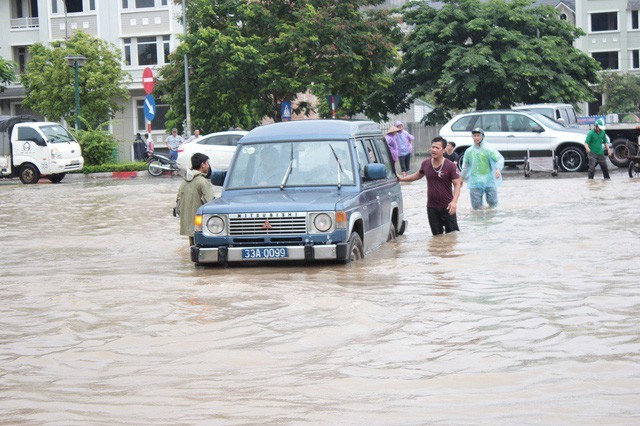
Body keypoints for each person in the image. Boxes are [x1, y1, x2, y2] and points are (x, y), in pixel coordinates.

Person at [398, 136, 462, 235]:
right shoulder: (426, 163)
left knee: (452, 236)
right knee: (436, 237)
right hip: (432, 207)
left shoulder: (450, 166)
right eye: (433, 147)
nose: (434, 150)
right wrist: (402, 179)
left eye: (437, 148)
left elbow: (457, 184)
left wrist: (454, 202)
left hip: (448, 206)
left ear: (444, 150)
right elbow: (417, 175)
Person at [176, 153, 215, 246]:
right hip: (201, 224)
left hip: (188, 222)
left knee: (193, 247)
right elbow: (211, 203)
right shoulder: (202, 181)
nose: (208, 166)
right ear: (202, 165)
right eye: (207, 163)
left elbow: (178, 202)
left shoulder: (184, 181)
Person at [461, 127, 505, 210]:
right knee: (476, 208)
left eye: (478, 135)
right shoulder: (469, 151)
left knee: (493, 205)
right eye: (474, 136)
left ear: (482, 136)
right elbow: (465, 166)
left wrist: (498, 170)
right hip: (475, 181)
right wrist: (461, 178)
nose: (476, 138)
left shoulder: (488, 149)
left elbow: (499, 159)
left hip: (489, 180)